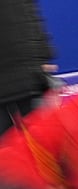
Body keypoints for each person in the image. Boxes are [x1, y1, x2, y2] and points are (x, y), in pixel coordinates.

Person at [0, 0, 57, 135]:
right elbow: (32, 19)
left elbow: (31, 19)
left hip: (28, 76)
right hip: (29, 76)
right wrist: (44, 56)